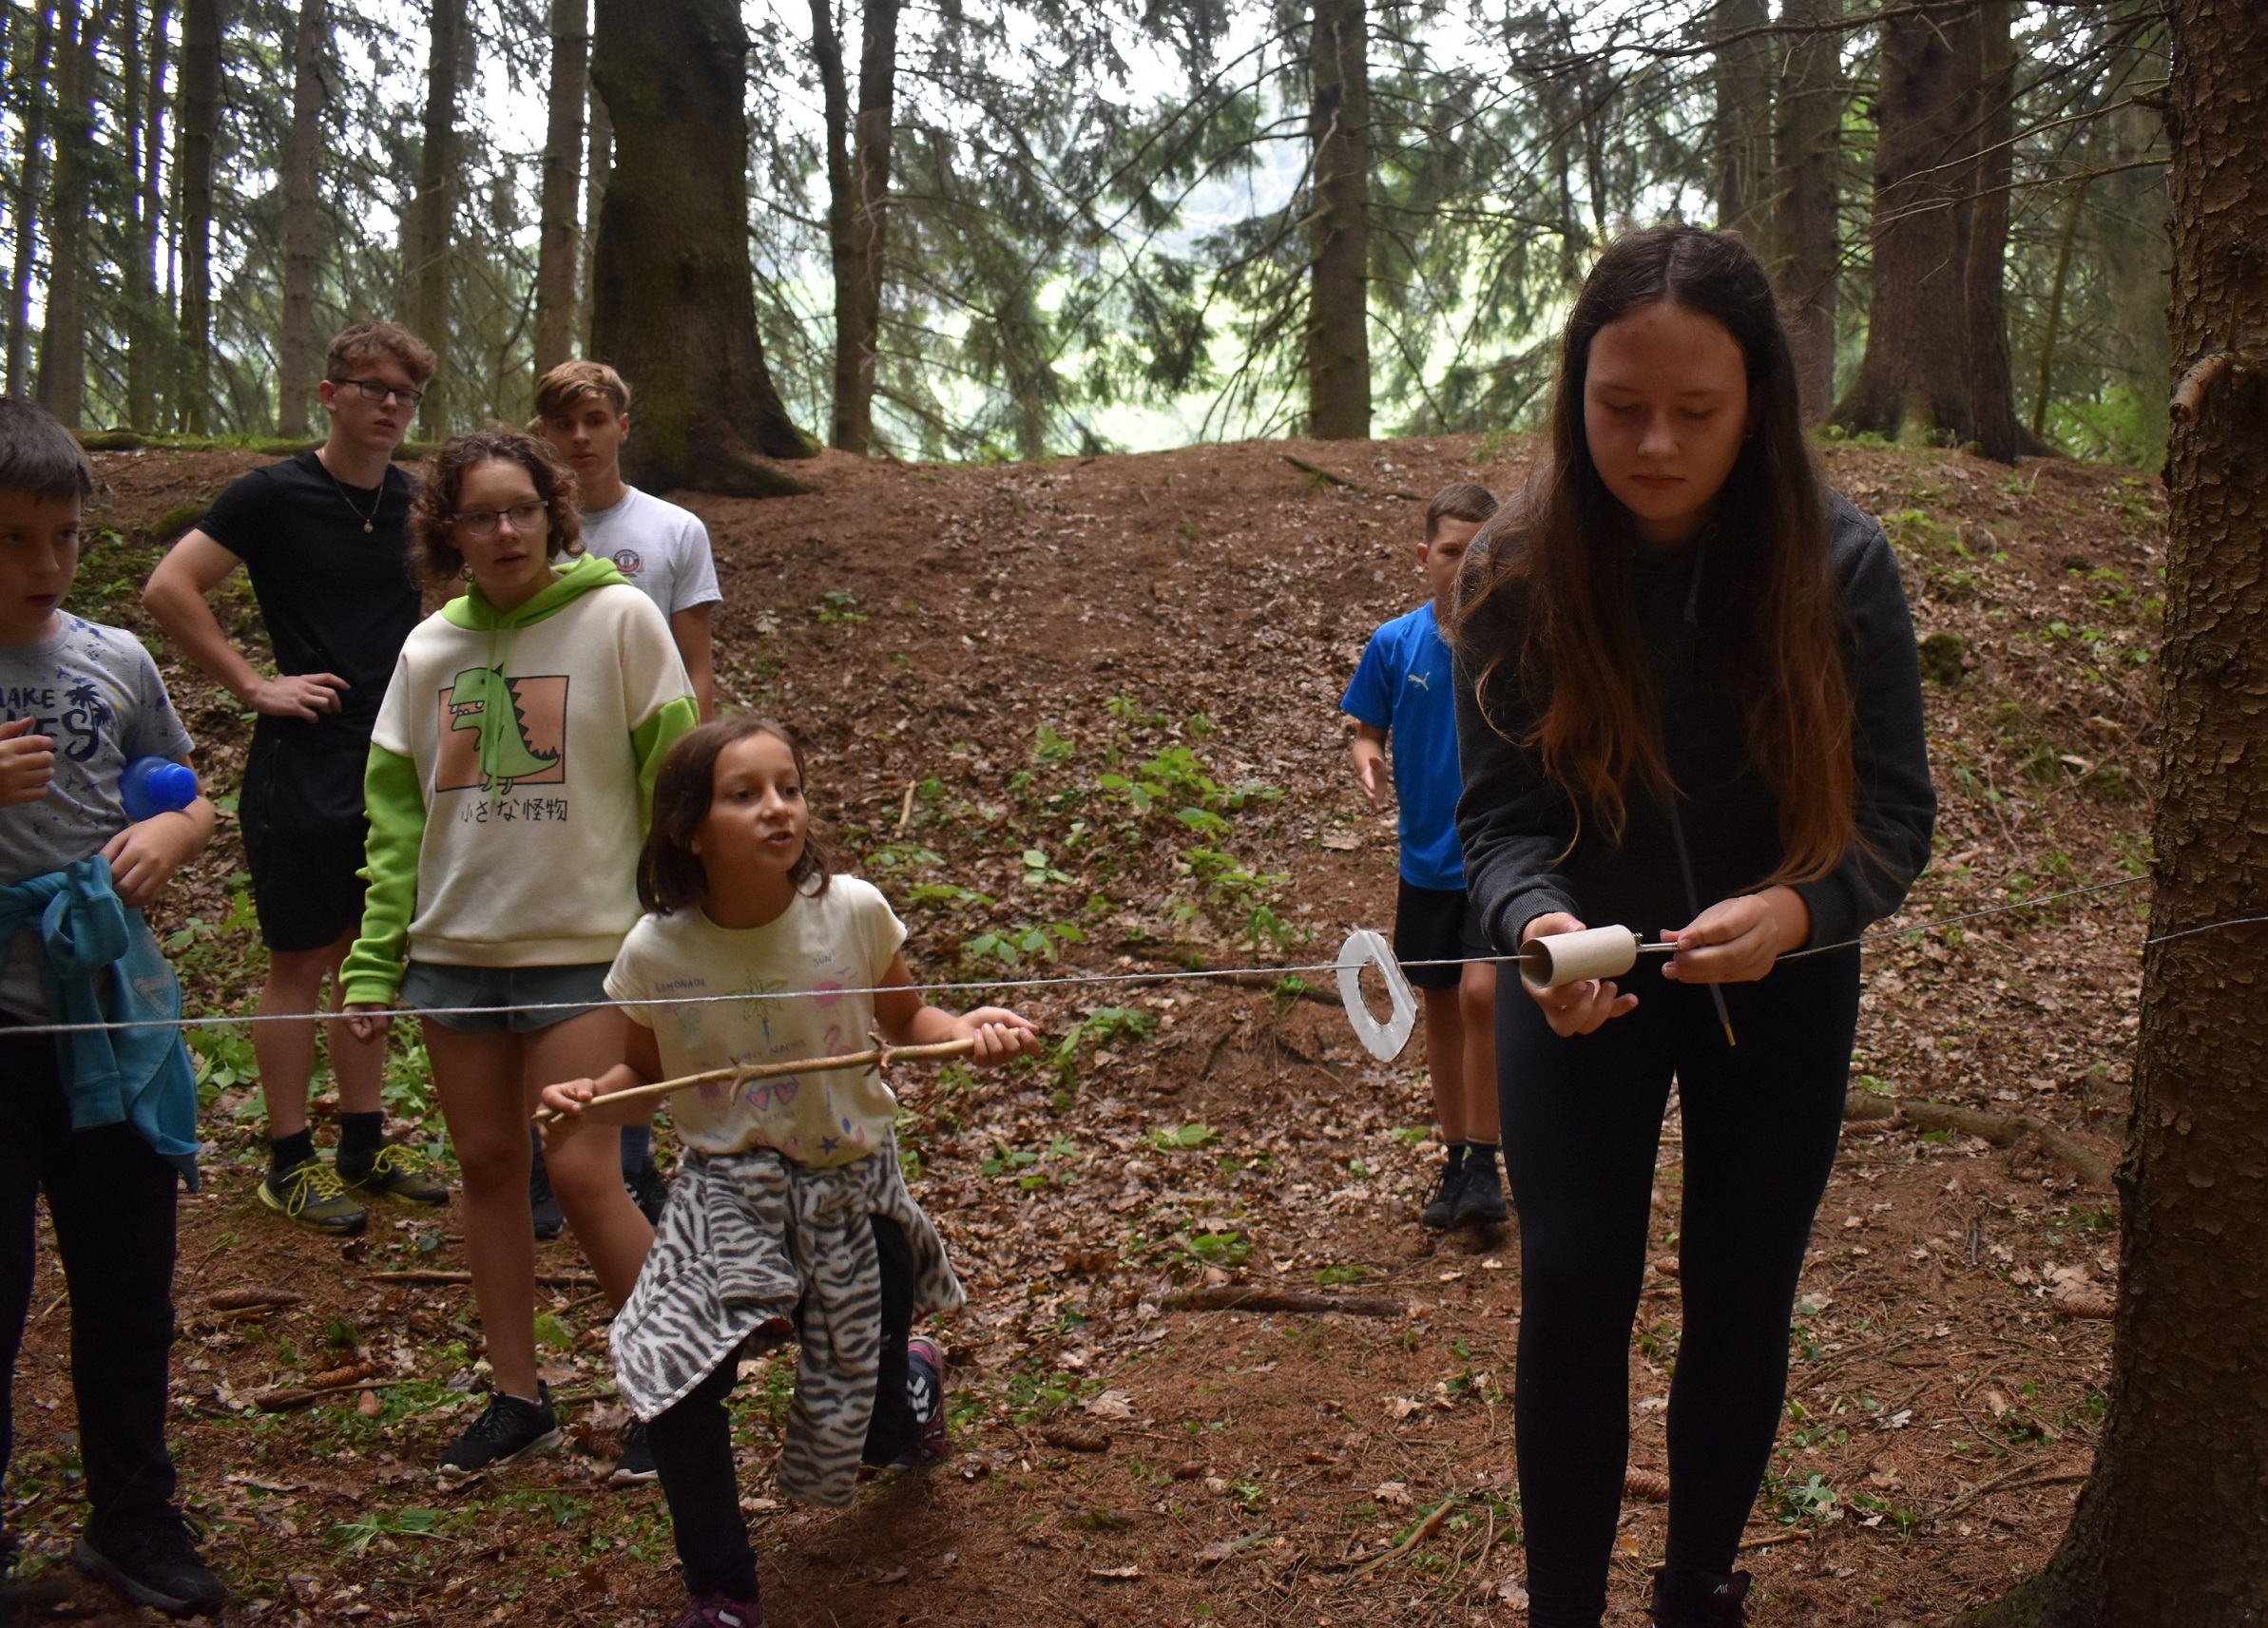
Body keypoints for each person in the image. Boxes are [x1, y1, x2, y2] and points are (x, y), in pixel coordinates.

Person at [1450, 227, 1934, 1628]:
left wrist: (1794, 910)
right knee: (1573, 1281)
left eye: (1694, 411)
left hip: (1779, 978)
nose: (1654, 443)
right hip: (1572, 984)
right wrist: (1536, 926)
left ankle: (1699, 1587)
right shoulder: (1515, 565)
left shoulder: (1838, 565)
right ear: (1575, 393)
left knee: (1740, 1287)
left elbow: (1891, 816)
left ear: (1756, 401)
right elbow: (1496, 823)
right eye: (1620, 406)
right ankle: (1563, 1607)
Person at [540, 718, 1037, 1628]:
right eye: (745, 794)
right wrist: (588, 1098)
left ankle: (907, 1385)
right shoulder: (656, 949)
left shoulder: (852, 911)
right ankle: (723, 1590)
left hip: (851, 1186)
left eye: (789, 788)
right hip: (724, 1194)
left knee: (875, 1420)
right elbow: (642, 1078)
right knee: (674, 1374)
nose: (778, 808)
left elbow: (910, 1019)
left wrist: (969, 1033)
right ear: (690, 828)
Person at [338, 429, 699, 1481]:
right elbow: (395, 820)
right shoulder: (428, 650)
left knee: (583, 1167)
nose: (504, 532)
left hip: (586, 949)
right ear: (447, 530)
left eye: (522, 510)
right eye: (480, 516)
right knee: (489, 1168)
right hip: (455, 950)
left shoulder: (619, 618)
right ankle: (516, 1395)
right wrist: (375, 960)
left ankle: (677, 1385)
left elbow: (673, 780)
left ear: (553, 515)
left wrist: (687, 923)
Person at [143, 320, 447, 1235]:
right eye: (374, 387)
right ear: (330, 393)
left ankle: (364, 1142)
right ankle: (286, 1160)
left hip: (394, 753)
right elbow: (169, 588)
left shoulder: (416, 501)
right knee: (301, 959)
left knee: (369, 951)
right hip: (303, 753)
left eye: (406, 394)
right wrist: (252, 684)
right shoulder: (272, 494)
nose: (390, 405)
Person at [0, 399, 227, 1616]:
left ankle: (133, 1519)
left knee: (130, 1289)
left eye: (65, 537)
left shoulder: (114, 658)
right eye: (13, 539)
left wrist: (173, 834)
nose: (46, 564)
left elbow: (186, 790)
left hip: (108, 1024)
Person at [529, 359, 724, 1234]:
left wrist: (689, 781)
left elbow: (696, 663)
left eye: (596, 420)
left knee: (640, 954)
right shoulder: (527, 529)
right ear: (543, 433)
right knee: (550, 952)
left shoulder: (673, 529)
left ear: (623, 426)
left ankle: (629, 1154)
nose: (581, 438)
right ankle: (547, 1159)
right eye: (563, 423)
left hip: (644, 774)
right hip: (550, 776)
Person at [1343, 482, 1507, 1232]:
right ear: (1424, 555)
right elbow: (1365, 726)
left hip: (1499, 860)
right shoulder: (1395, 643)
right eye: (1450, 551)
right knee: (1441, 1005)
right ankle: (1456, 1157)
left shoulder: (1513, 641)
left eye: (1480, 553)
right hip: (1426, 862)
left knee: (1483, 997)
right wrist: (1368, 757)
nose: (1464, 567)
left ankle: (1487, 1162)